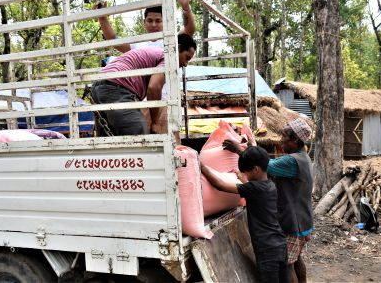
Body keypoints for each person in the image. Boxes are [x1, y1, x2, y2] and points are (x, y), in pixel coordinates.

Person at [223, 118, 314, 283]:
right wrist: (251, 147)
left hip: (293, 223)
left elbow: (264, 166)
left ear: (295, 140)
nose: (281, 140)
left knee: (288, 265)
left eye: (284, 136)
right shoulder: (303, 157)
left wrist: (241, 151)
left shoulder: (291, 161)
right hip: (304, 221)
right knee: (297, 259)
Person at [201, 146, 289, 283]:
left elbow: (220, 185)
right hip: (280, 244)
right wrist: (244, 180)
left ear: (256, 169)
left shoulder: (254, 188)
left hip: (266, 249)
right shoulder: (270, 185)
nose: (245, 175)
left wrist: (200, 165)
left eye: (247, 172)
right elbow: (253, 189)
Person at [90, 34, 196, 136]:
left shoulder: (155, 54)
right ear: (177, 48)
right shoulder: (169, 57)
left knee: (110, 137)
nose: (185, 64)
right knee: (138, 130)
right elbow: (154, 87)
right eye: (186, 58)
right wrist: (155, 123)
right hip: (116, 86)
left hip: (99, 85)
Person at [95, 0, 196, 54]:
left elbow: (189, 30)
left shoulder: (171, 38)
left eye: (158, 21)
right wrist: (102, 18)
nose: (153, 24)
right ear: (144, 22)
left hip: (167, 89)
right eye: (150, 20)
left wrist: (186, 7)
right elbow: (113, 40)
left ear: (165, 22)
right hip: (142, 90)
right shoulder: (137, 43)